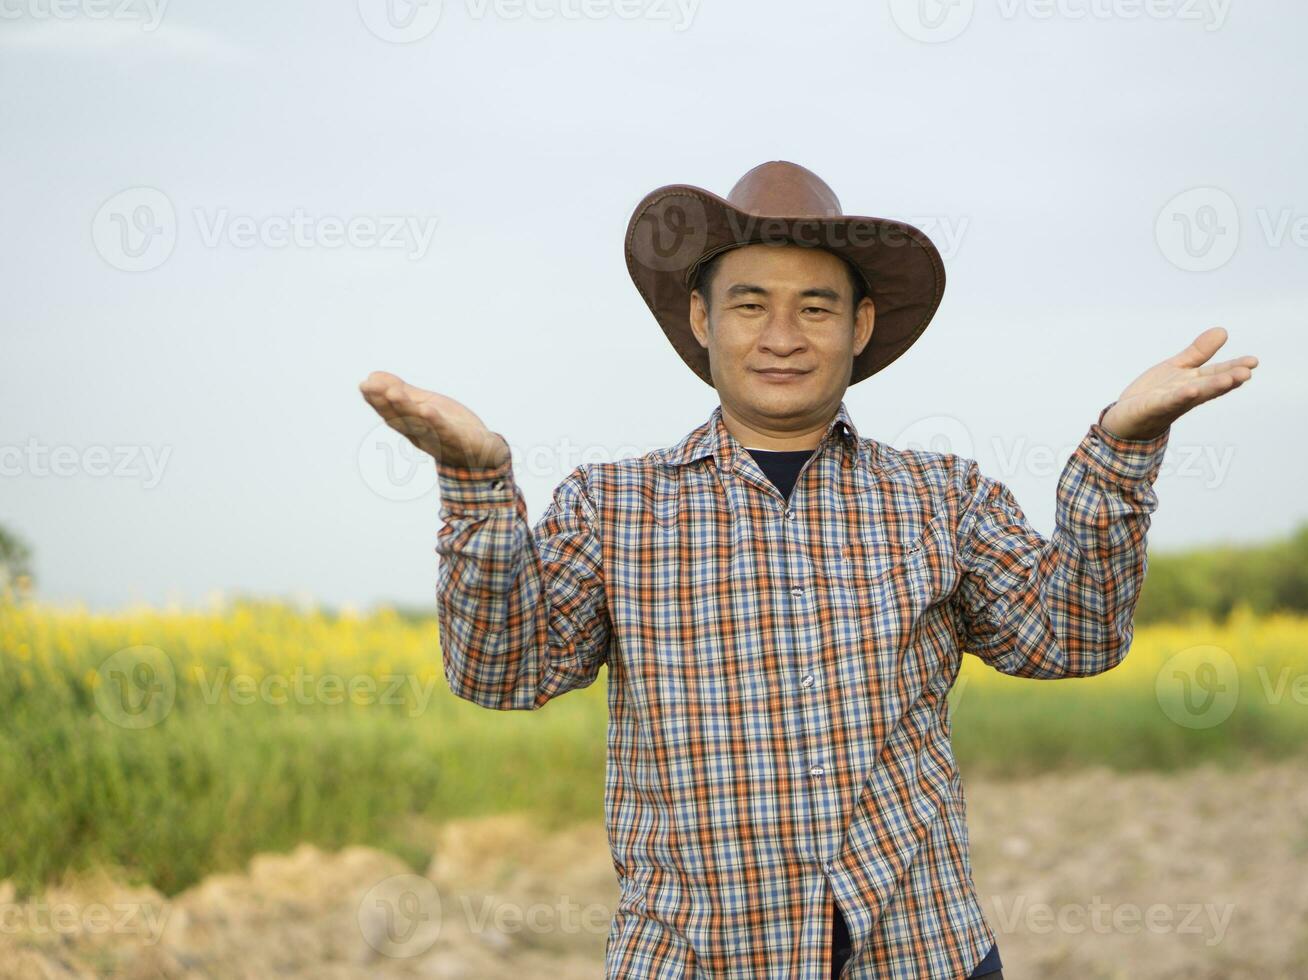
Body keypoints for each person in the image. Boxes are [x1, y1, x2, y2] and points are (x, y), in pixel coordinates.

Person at [358, 160, 1257, 978]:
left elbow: (1074, 637)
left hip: (922, 951)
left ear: (860, 325)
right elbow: (502, 672)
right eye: (750, 304)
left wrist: (1123, 447)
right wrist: (476, 482)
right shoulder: (613, 506)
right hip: (694, 958)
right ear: (703, 319)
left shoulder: (941, 496)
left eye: (815, 307)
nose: (781, 335)